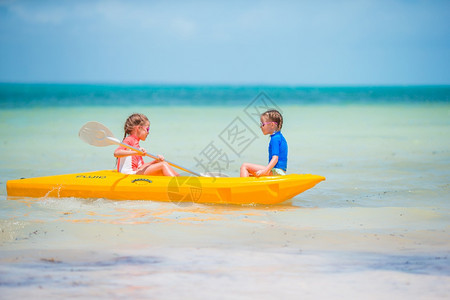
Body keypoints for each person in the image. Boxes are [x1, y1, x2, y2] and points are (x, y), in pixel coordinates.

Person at [114, 113, 179, 176]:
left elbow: (141, 167)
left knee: (163, 163)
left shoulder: (137, 145)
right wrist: (136, 152)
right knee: (163, 165)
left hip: (135, 172)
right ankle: (178, 184)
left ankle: (182, 181)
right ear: (139, 128)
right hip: (129, 174)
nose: (148, 132)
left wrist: (155, 161)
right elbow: (116, 153)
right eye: (147, 129)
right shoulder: (129, 139)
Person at [240, 109, 288, 177]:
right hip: (280, 171)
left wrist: (265, 171)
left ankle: (243, 187)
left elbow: (275, 158)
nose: (260, 126)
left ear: (272, 125)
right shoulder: (279, 137)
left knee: (244, 166)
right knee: (250, 175)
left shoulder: (275, 139)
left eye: (262, 124)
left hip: (277, 172)